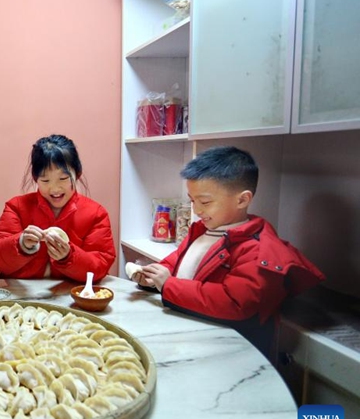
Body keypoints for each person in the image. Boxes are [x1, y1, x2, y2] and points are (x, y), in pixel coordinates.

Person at [132, 146, 324, 358]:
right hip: (193, 334)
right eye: (192, 200)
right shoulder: (204, 231)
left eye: (205, 202)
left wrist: (169, 285)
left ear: (242, 200)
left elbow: (234, 302)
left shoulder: (258, 249)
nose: (197, 210)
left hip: (229, 351)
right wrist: (155, 275)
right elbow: (179, 261)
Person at [0, 134, 115, 283]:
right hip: (20, 298)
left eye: (63, 179)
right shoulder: (16, 207)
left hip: (70, 297)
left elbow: (100, 265)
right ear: (36, 179)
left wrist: (69, 256)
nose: (54, 188)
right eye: (45, 180)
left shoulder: (96, 214)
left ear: (77, 174)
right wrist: (21, 244)